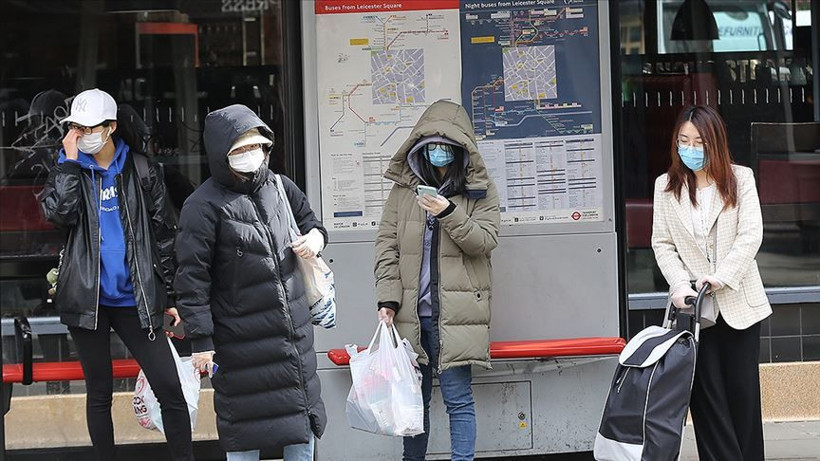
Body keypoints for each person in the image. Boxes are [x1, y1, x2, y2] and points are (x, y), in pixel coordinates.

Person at [39, 88, 193, 460]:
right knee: (99, 393)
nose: (81, 134)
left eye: (89, 127)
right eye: (76, 127)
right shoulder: (67, 168)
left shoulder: (141, 169)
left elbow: (164, 235)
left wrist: (171, 297)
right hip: (87, 297)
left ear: (110, 127)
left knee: (170, 389)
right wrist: (69, 163)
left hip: (134, 298)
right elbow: (59, 215)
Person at [174, 104, 327, 461]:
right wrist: (201, 342)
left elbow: (312, 223)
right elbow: (192, 278)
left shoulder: (281, 187)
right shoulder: (202, 206)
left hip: (292, 339)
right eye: (240, 148)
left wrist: (316, 239)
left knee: (301, 430)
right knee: (244, 433)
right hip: (239, 345)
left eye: (256, 145)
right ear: (221, 154)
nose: (251, 154)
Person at [375, 100, 500, 461]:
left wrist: (449, 212)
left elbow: (484, 241)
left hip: (456, 315)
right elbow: (386, 246)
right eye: (431, 144)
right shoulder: (404, 191)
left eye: (446, 145)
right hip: (411, 315)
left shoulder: (479, 190)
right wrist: (388, 299)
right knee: (414, 403)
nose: (438, 151)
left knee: (458, 400)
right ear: (420, 147)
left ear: (461, 148)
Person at [651, 105, 772, 461]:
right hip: (694, 311)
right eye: (683, 140)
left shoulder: (740, 178)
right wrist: (679, 285)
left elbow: (750, 235)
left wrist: (721, 277)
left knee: (742, 399)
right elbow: (662, 243)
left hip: (738, 305)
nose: (690, 148)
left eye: (699, 142)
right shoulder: (665, 186)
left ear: (715, 143)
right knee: (706, 401)